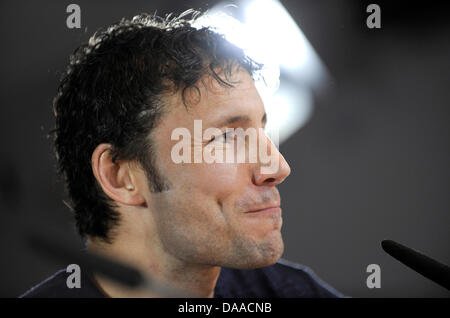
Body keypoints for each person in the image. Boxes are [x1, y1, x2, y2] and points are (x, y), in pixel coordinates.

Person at [20, 10, 344, 298]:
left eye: (262, 130)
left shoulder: (289, 291)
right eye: (227, 137)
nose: (278, 166)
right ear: (120, 177)